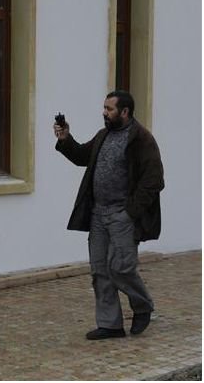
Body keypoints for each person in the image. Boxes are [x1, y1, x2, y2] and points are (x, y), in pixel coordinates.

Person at [54, 90, 164, 340]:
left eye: (109, 109)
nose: (104, 113)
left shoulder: (141, 139)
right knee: (100, 270)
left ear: (124, 112)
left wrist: (130, 211)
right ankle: (110, 324)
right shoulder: (104, 135)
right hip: (98, 214)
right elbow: (83, 156)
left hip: (122, 215)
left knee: (121, 268)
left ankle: (143, 305)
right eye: (104, 108)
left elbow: (154, 180)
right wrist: (65, 138)